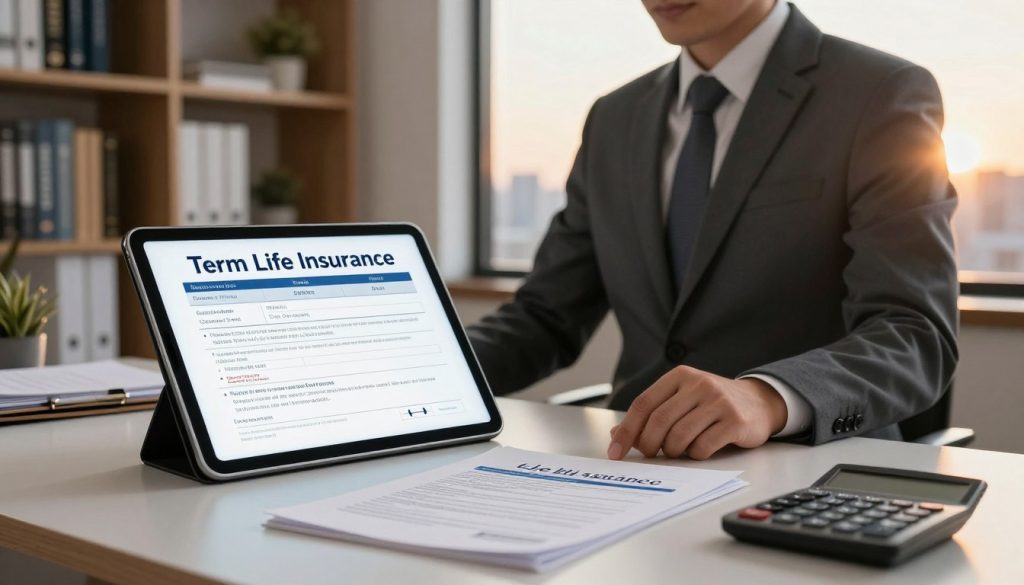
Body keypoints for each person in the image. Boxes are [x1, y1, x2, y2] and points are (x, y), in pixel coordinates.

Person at [467, 0, 958, 461]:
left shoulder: (876, 92)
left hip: (811, 470)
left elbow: (914, 334)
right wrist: (422, 374)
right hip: (636, 466)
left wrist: (765, 397)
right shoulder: (615, 117)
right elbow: (544, 318)